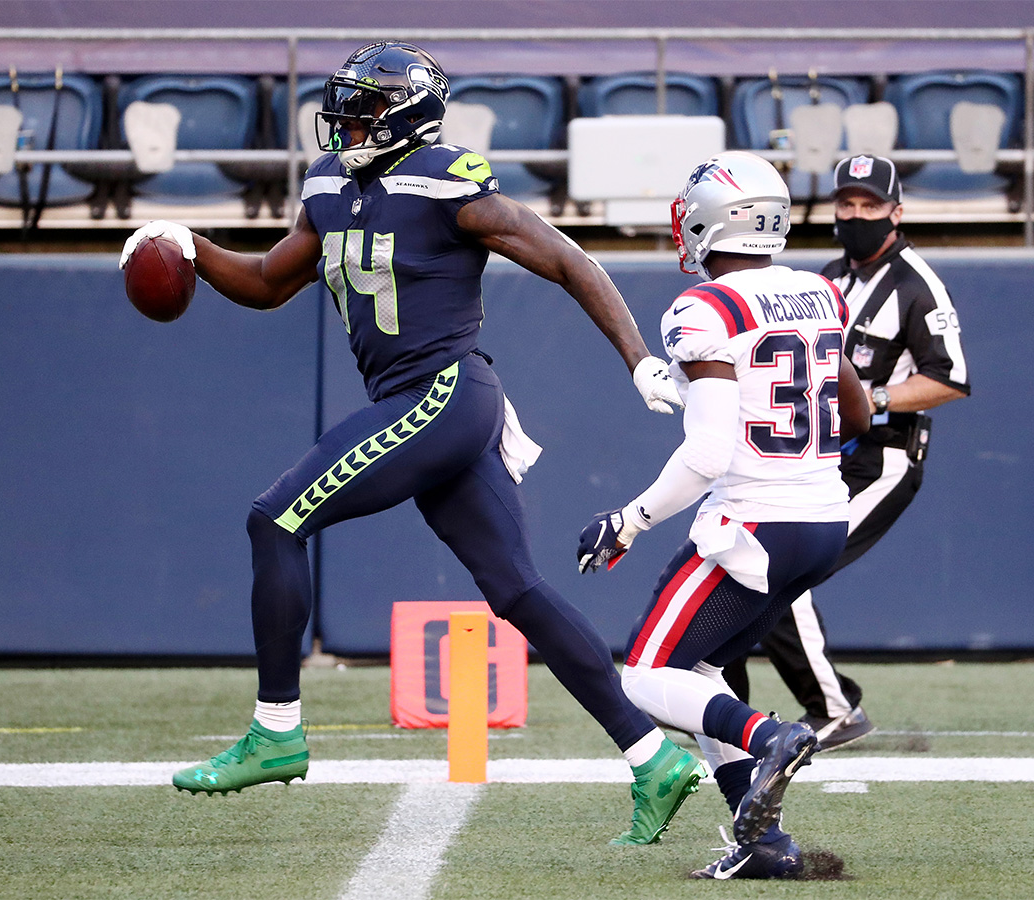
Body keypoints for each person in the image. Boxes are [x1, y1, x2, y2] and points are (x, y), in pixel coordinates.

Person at [119, 41, 704, 844]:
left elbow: (569, 262)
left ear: (403, 116)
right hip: (420, 402)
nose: (345, 121)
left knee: (275, 518)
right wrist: (188, 244)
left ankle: (277, 730)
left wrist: (638, 360)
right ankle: (653, 759)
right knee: (517, 590)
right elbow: (265, 282)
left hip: (443, 394)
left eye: (361, 107)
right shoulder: (328, 185)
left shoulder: (446, 183)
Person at [576, 150, 872, 879]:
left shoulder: (705, 308)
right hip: (823, 519)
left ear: (712, 220)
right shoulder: (819, 292)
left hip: (754, 523)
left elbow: (708, 452)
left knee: (644, 676)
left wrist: (630, 519)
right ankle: (765, 845)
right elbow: (858, 409)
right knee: (701, 670)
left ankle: (771, 735)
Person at [722, 154, 970, 750]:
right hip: (822, 455)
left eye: (870, 205)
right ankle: (723, 702)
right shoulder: (828, 276)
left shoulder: (916, 285)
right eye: (847, 203)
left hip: (883, 456)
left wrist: (870, 396)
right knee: (750, 562)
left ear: (896, 212)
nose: (856, 215)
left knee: (782, 571)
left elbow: (951, 377)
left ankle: (833, 709)